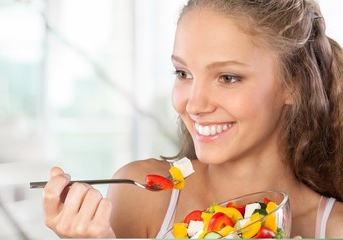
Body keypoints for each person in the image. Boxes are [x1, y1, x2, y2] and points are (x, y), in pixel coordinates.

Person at [42, 0, 343, 238]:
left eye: (228, 77)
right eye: (183, 73)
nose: (194, 104)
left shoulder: (333, 228)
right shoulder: (140, 198)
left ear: (294, 84)